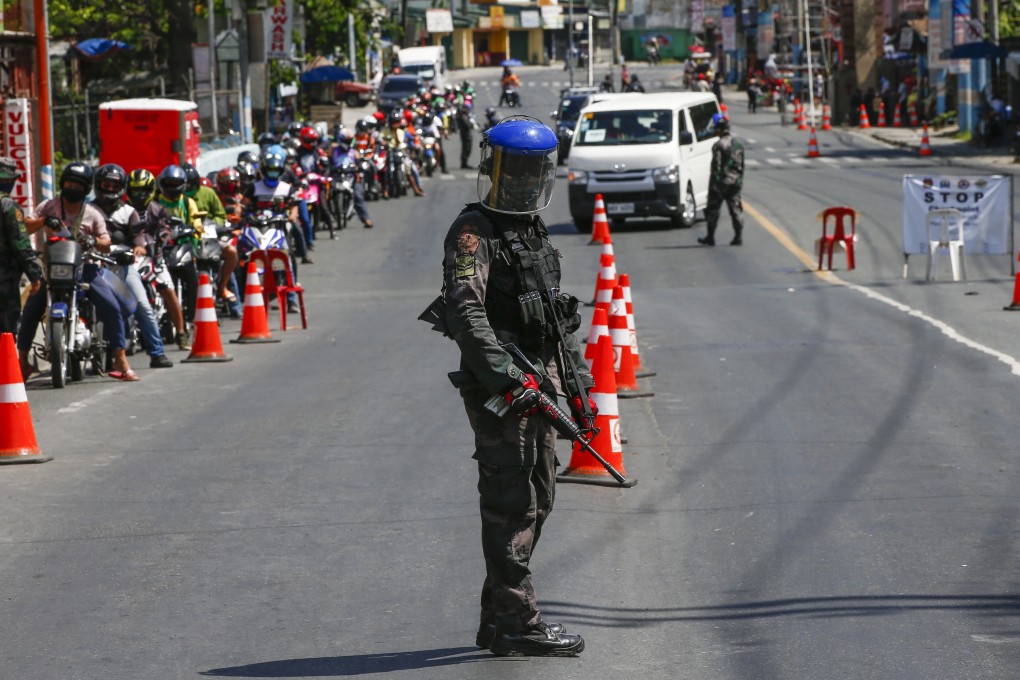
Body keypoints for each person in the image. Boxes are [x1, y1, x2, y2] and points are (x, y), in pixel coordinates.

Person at [438, 116, 593, 657]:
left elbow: (554, 320)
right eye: (517, 170)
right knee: (511, 505)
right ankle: (519, 623)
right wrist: (507, 375)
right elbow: (465, 309)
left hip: (542, 386)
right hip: (503, 391)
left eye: (535, 171)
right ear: (494, 169)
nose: (526, 181)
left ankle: (496, 618)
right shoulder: (473, 231)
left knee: (541, 499)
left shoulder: (531, 229)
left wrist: (580, 390)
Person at [19, 162, 139, 381]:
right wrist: (45, 220)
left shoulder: (93, 213)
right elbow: (26, 226)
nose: (72, 187)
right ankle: (22, 361)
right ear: (62, 183)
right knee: (30, 310)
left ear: (85, 189)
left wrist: (92, 240)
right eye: (68, 183)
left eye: (77, 184)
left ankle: (120, 360)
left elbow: (106, 240)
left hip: (85, 269)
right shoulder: (49, 206)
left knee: (111, 306)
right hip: (53, 270)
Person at [91, 163, 174, 368]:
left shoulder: (129, 212)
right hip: (94, 266)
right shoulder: (89, 210)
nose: (110, 189)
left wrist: (138, 248)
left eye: (114, 185)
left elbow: (139, 238)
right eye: (105, 184)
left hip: (121, 267)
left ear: (121, 188)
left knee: (142, 306)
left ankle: (157, 352)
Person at [127, 168, 190, 350]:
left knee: (168, 291)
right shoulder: (124, 209)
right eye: (134, 191)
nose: (138, 195)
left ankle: (181, 332)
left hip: (155, 258)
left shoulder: (157, 209)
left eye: (142, 191)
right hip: (130, 258)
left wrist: (158, 240)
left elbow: (165, 230)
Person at [0, 157, 42, 337]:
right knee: (6, 326)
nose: (9, 183)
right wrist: (34, 273)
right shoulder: (8, 206)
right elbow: (20, 243)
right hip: (4, 276)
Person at [698, 113, 744, 247]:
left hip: (721, 183)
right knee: (735, 209)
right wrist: (739, 181)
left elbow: (716, 168)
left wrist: (713, 186)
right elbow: (742, 165)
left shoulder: (719, 145)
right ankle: (738, 236)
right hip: (736, 182)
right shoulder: (738, 143)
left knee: (713, 210)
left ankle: (710, 237)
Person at [457, 104, 476, 169]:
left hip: (466, 134)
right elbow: (469, 125)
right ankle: (464, 164)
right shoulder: (463, 117)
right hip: (465, 135)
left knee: (467, 149)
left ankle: (464, 163)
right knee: (466, 149)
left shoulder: (464, 116)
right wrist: (472, 123)